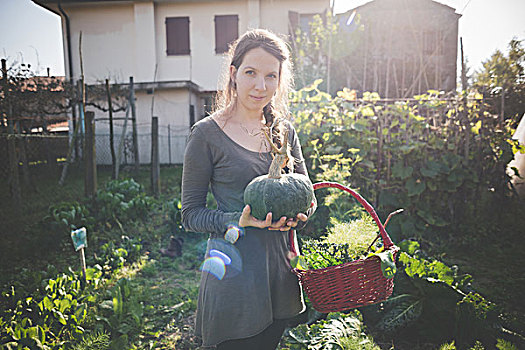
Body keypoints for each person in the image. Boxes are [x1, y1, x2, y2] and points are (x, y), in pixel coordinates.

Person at [181, 28, 315, 350]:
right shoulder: (207, 135)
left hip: (281, 275)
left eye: (271, 76)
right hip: (235, 278)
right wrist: (236, 220)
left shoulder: (284, 132)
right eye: (251, 72)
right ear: (234, 74)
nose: (260, 85)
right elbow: (190, 215)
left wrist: (301, 215)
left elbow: (308, 196)